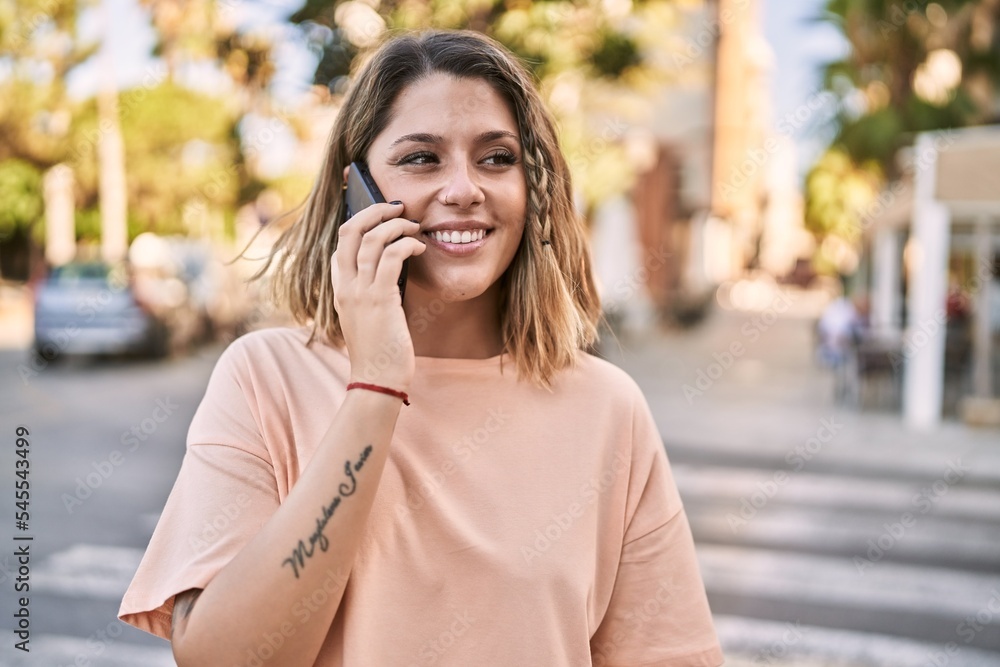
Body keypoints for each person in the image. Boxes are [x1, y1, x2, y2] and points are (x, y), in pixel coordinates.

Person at [118, 29, 724, 667]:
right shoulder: (262, 377)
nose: (464, 189)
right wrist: (375, 383)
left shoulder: (608, 408)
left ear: (534, 187)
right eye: (421, 159)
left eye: (496, 158)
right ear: (357, 190)